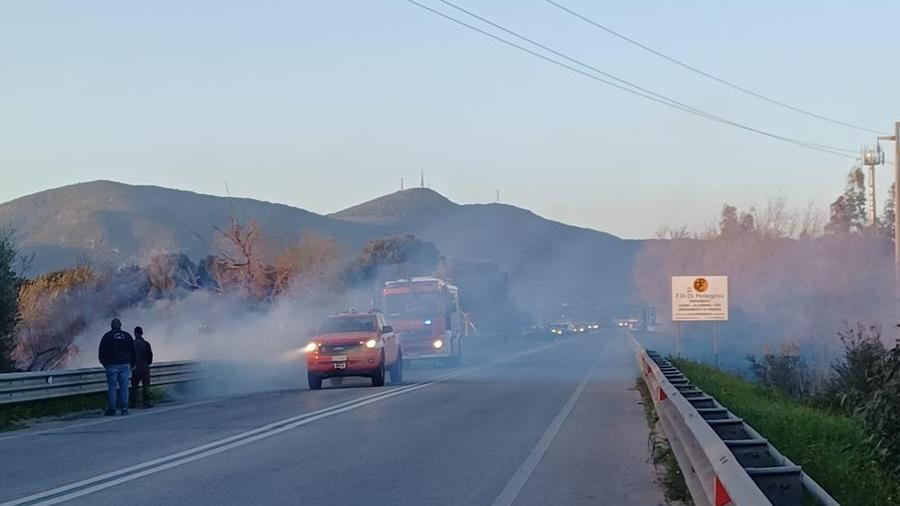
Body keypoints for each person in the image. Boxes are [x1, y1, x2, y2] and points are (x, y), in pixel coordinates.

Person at [98, 318, 135, 416]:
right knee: (124, 388)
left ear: (111, 326)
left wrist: (105, 364)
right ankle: (124, 408)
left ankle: (112, 409)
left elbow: (101, 353)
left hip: (111, 365)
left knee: (112, 388)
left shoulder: (107, 336)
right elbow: (133, 351)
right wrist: (132, 364)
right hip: (125, 365)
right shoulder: (127, 336)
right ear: (120, 325)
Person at [130, 326, 154, 409]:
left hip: (135, 368)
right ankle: (146, 403)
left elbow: (129, 356)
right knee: (146, 386)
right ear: (142, 333)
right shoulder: (146, 344)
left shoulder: (132, 344)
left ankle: (133, 403)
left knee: (134, 386)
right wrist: (147, 363)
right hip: (145, 367)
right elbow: (150, 357)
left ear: (135, 333)